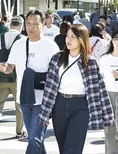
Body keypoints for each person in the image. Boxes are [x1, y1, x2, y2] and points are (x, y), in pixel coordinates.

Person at [39, 24, 114, 154]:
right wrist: (45, 113)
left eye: (73, 36)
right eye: (67, 36)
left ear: (81, 39)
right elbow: (49, 88)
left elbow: (99, 89)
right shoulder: (57, 58)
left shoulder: (90, 62)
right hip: (60, 104)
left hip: (80, 106)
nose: (68, 39)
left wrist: (107, 115)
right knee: (63, 148)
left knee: (73, 149)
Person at [0, 10, 60, 154]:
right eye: (28, 23)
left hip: (44, 101)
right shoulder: (19, 44)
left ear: (44, 24)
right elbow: (10, 68)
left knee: (34, 139)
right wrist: (4, 68)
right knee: (36, 139)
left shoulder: (50, 46)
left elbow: (58, 74)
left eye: (35, 24)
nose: (31, 27)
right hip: (24, 97)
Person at [0, 16, 26, 146]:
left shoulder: (0, 37)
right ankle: (19, 131)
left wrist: (1, 68)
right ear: (21, 26)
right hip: (17, 79)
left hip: (1, 77)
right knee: (19, 106)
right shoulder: (23, 39)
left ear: (10, 25)